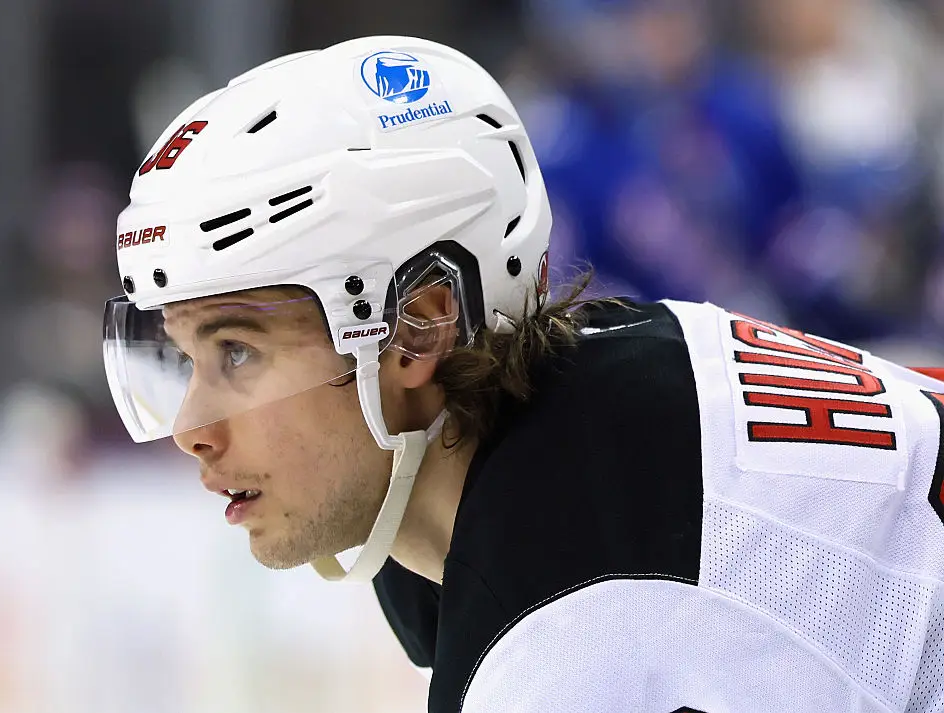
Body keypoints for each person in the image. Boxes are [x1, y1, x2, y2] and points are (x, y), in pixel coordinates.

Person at [102, 35, 944, 712]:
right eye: (183, 354)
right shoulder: (591, 402)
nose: (191, 427)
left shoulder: (571, 603)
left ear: (416, 328)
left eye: (237, 351)